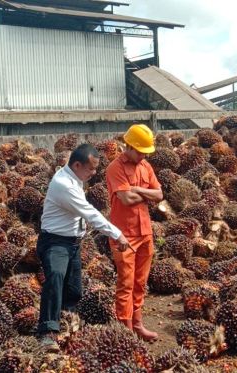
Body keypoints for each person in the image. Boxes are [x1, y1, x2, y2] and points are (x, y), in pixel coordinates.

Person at [36, 143, 130, 351]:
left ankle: (68, 325)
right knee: (55, 280)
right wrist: (117, 234)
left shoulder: (74, 177)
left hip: (72, 243)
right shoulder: (64, 185)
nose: (94, 173)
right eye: (91, 168)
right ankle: (47, 332)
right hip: (55, 242)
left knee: (73, 289)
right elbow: (90, 213)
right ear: (77, 165)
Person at [105, 124, 163, 341]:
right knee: (126, 283)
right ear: (128, 146)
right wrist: (146, 194)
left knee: (140, 282)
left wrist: (137, 189)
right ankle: (125, 330)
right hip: (124, 235)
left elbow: (160, 195)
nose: (143, 156)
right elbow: (126, 199)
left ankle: (137, 324)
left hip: (145, 232)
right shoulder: (115, 168)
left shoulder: (146, 166)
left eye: (145, 153)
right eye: (140, 152)